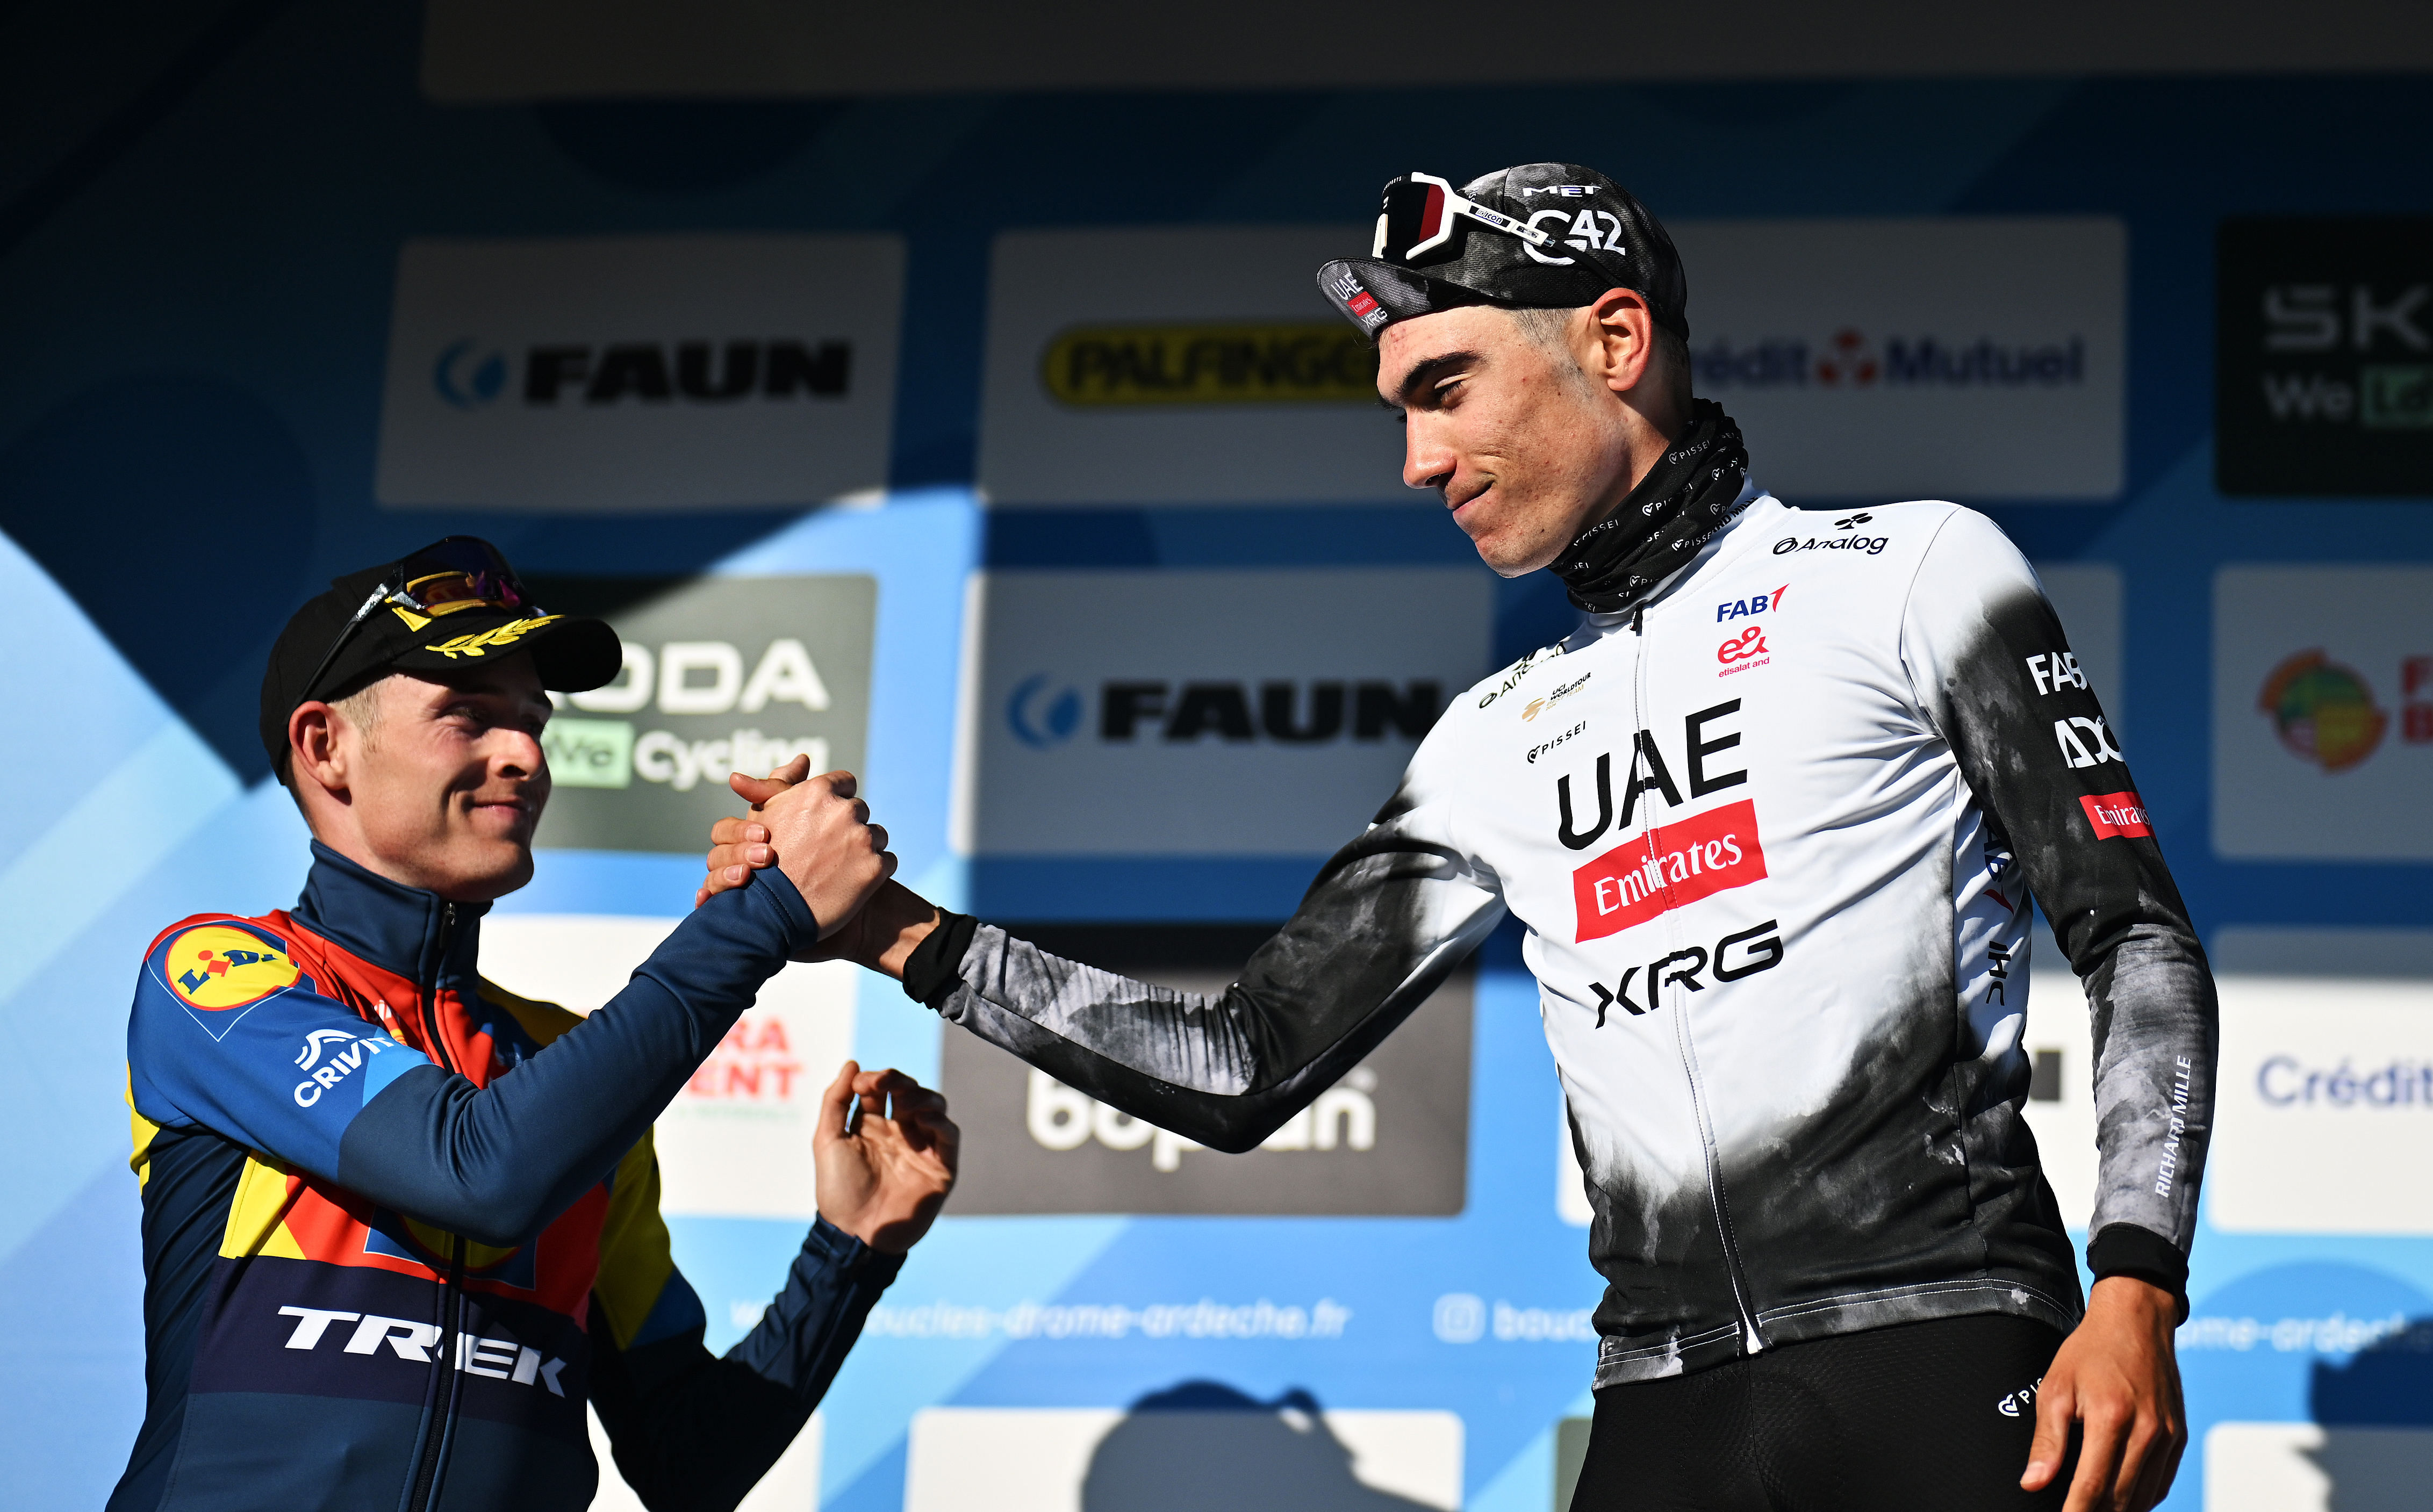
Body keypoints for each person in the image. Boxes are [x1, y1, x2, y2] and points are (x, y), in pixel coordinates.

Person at [705, 164, 2215, 1512]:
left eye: (1446, 388)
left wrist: (2138, 1281)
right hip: (1662, 1402)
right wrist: (900, 931)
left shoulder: (1908, 571)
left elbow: (2131, 930)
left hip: (1946, 1348)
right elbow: (1244, 1059)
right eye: (1403, 412)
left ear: (1614, 342)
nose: (1417, 461)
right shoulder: (1498, 732)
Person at [113, 537, 958, 1512]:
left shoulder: (564, 1065)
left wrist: (852, 1248)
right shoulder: (218, 974)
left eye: (532, 722)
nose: (523, 754)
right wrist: (763, 918)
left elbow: (688, 1462)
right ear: (325, 747)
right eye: (466, 716)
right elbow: (477, 1171)